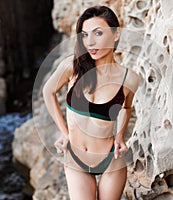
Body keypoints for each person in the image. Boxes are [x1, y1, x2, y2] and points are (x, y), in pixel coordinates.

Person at [43, 5, 140, 200]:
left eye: (98, 33)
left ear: (115, 34)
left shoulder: (129, 79)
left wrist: (120, 136)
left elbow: (126, 107)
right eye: (85, 35)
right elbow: (48, 91)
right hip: (75, 158)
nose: (90, 42)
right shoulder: (73, 67)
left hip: (111, 159)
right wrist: (65, 133)